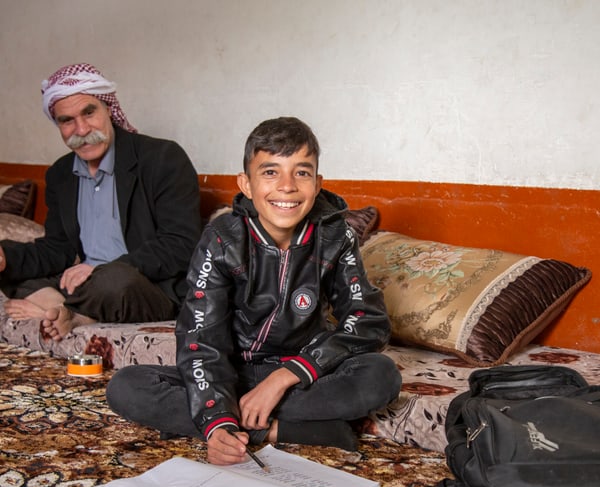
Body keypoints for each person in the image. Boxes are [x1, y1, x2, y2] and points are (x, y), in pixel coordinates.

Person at [107, 116, 401, 464]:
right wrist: (217, 421)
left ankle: (240, 417)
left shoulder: (337, 236)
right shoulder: (220, 239)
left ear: (318, 183)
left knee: (380, 375)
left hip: (301, 373)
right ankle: (286, 428)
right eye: (271, 172)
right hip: (232, 372)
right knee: (126, 386)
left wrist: (284, 377)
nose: (287, 186)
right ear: (246, 184)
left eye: (302, 172)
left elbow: (368, 321)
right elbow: (201, 340)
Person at [0, 63, 202, 340]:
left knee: (114, 281)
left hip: (142, 284)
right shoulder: (61, 173)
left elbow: (181, 244)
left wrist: (102, 268)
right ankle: (68, 309)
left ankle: (63, 308)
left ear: (108, 109)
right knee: (11, 272)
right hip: (86, 282)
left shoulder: (163, 158)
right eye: (66, 120)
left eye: (89, 112)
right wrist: (5, 257)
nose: (81, 129)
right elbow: (57, 249)